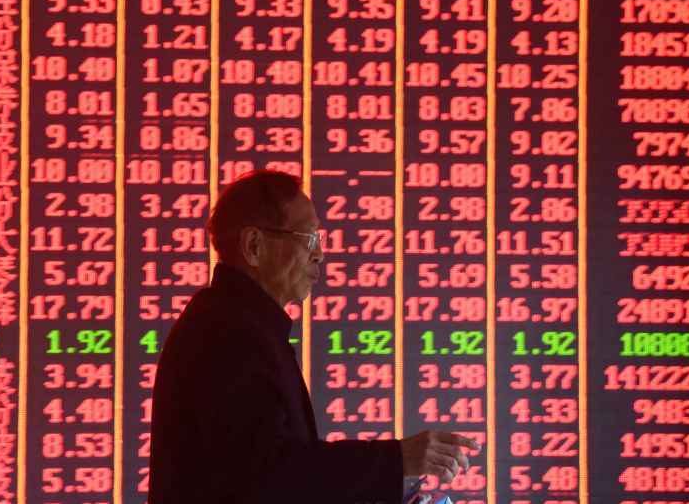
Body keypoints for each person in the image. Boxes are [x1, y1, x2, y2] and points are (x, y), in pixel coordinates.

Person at [149, 169, 480, 504]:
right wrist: (397, 460)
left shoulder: (243, 324)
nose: (319, 253)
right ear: (253, 246)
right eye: (308, 238)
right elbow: (269, 474)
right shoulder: (224, 332)